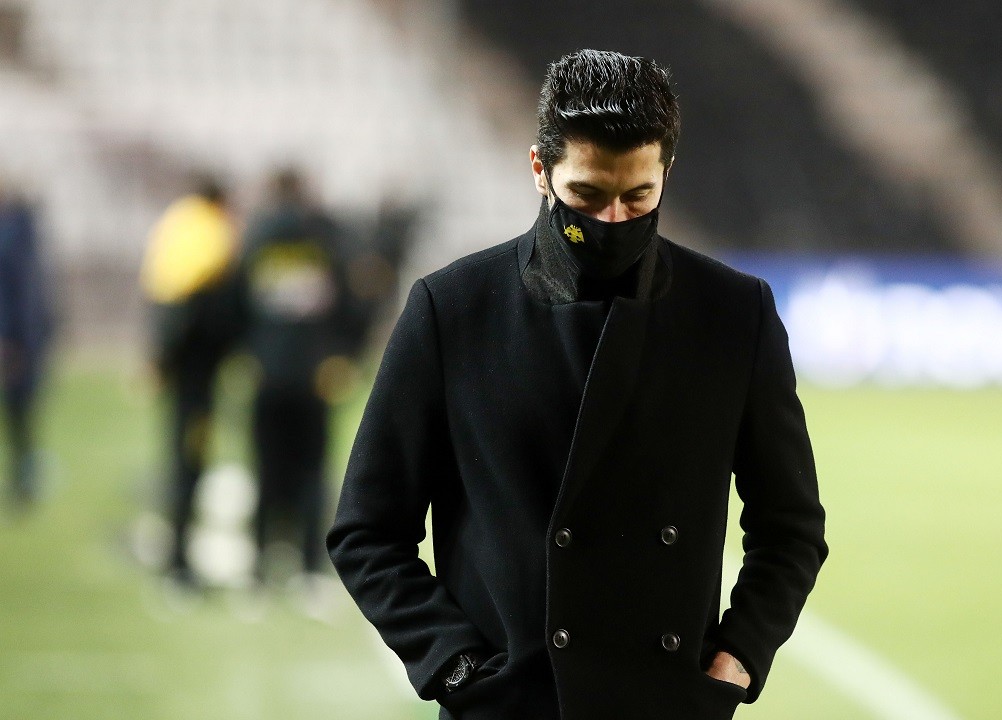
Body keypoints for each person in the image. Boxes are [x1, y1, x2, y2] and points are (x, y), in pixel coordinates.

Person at [327, 50, 827, 720]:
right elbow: (366, 531)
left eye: (638, 196)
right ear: (540, 169)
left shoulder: (736, 313)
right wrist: (455, 666)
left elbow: (791, 526)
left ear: (667, 172)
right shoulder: (453, 309)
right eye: (588, 195)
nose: (613, 220)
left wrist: (739, 656)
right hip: (507, 707)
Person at [235, 168, 352, 587]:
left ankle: (258, 566)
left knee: (266, 470)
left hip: (265, 373)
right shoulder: (324, 237)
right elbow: (349, 302)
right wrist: (342, 354)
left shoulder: (254, 237)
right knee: (312, 472)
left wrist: (245, 353)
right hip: (315, 374)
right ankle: (309, 567)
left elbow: (234, 303)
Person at [140, 176, 239, 583]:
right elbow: (205, 305)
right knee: (189, 459)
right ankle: (179, 561)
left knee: (180, 454)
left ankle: (176, 553)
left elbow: (161, 293)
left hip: (177, 362)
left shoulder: (174, 223)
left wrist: (158, 358)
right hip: (197, 370)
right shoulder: (212, 233)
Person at [0, 181, 54, 512]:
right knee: (22, 414)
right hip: (28, 339)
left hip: (18, 341)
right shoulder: (26, 235)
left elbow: (15, 296)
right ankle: (25, 479)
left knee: (19, 413)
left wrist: (10, 338)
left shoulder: (13, 237)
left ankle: (24, 481)